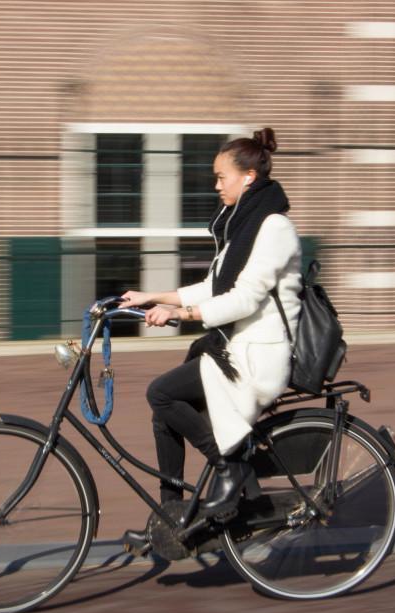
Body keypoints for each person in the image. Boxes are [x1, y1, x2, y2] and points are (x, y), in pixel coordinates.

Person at [118, 128, 302, 553]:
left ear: (249, 176)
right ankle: (171, 522)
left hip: (256, 359)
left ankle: (228, 466)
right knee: (164, 413)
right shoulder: (243, 227)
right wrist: (153, 296)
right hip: (233, 350)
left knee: (161, 393)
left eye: (222, 177)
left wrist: (181, 316)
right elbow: (212, 286)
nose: (216, 185)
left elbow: (246, 296)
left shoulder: (273, 227)